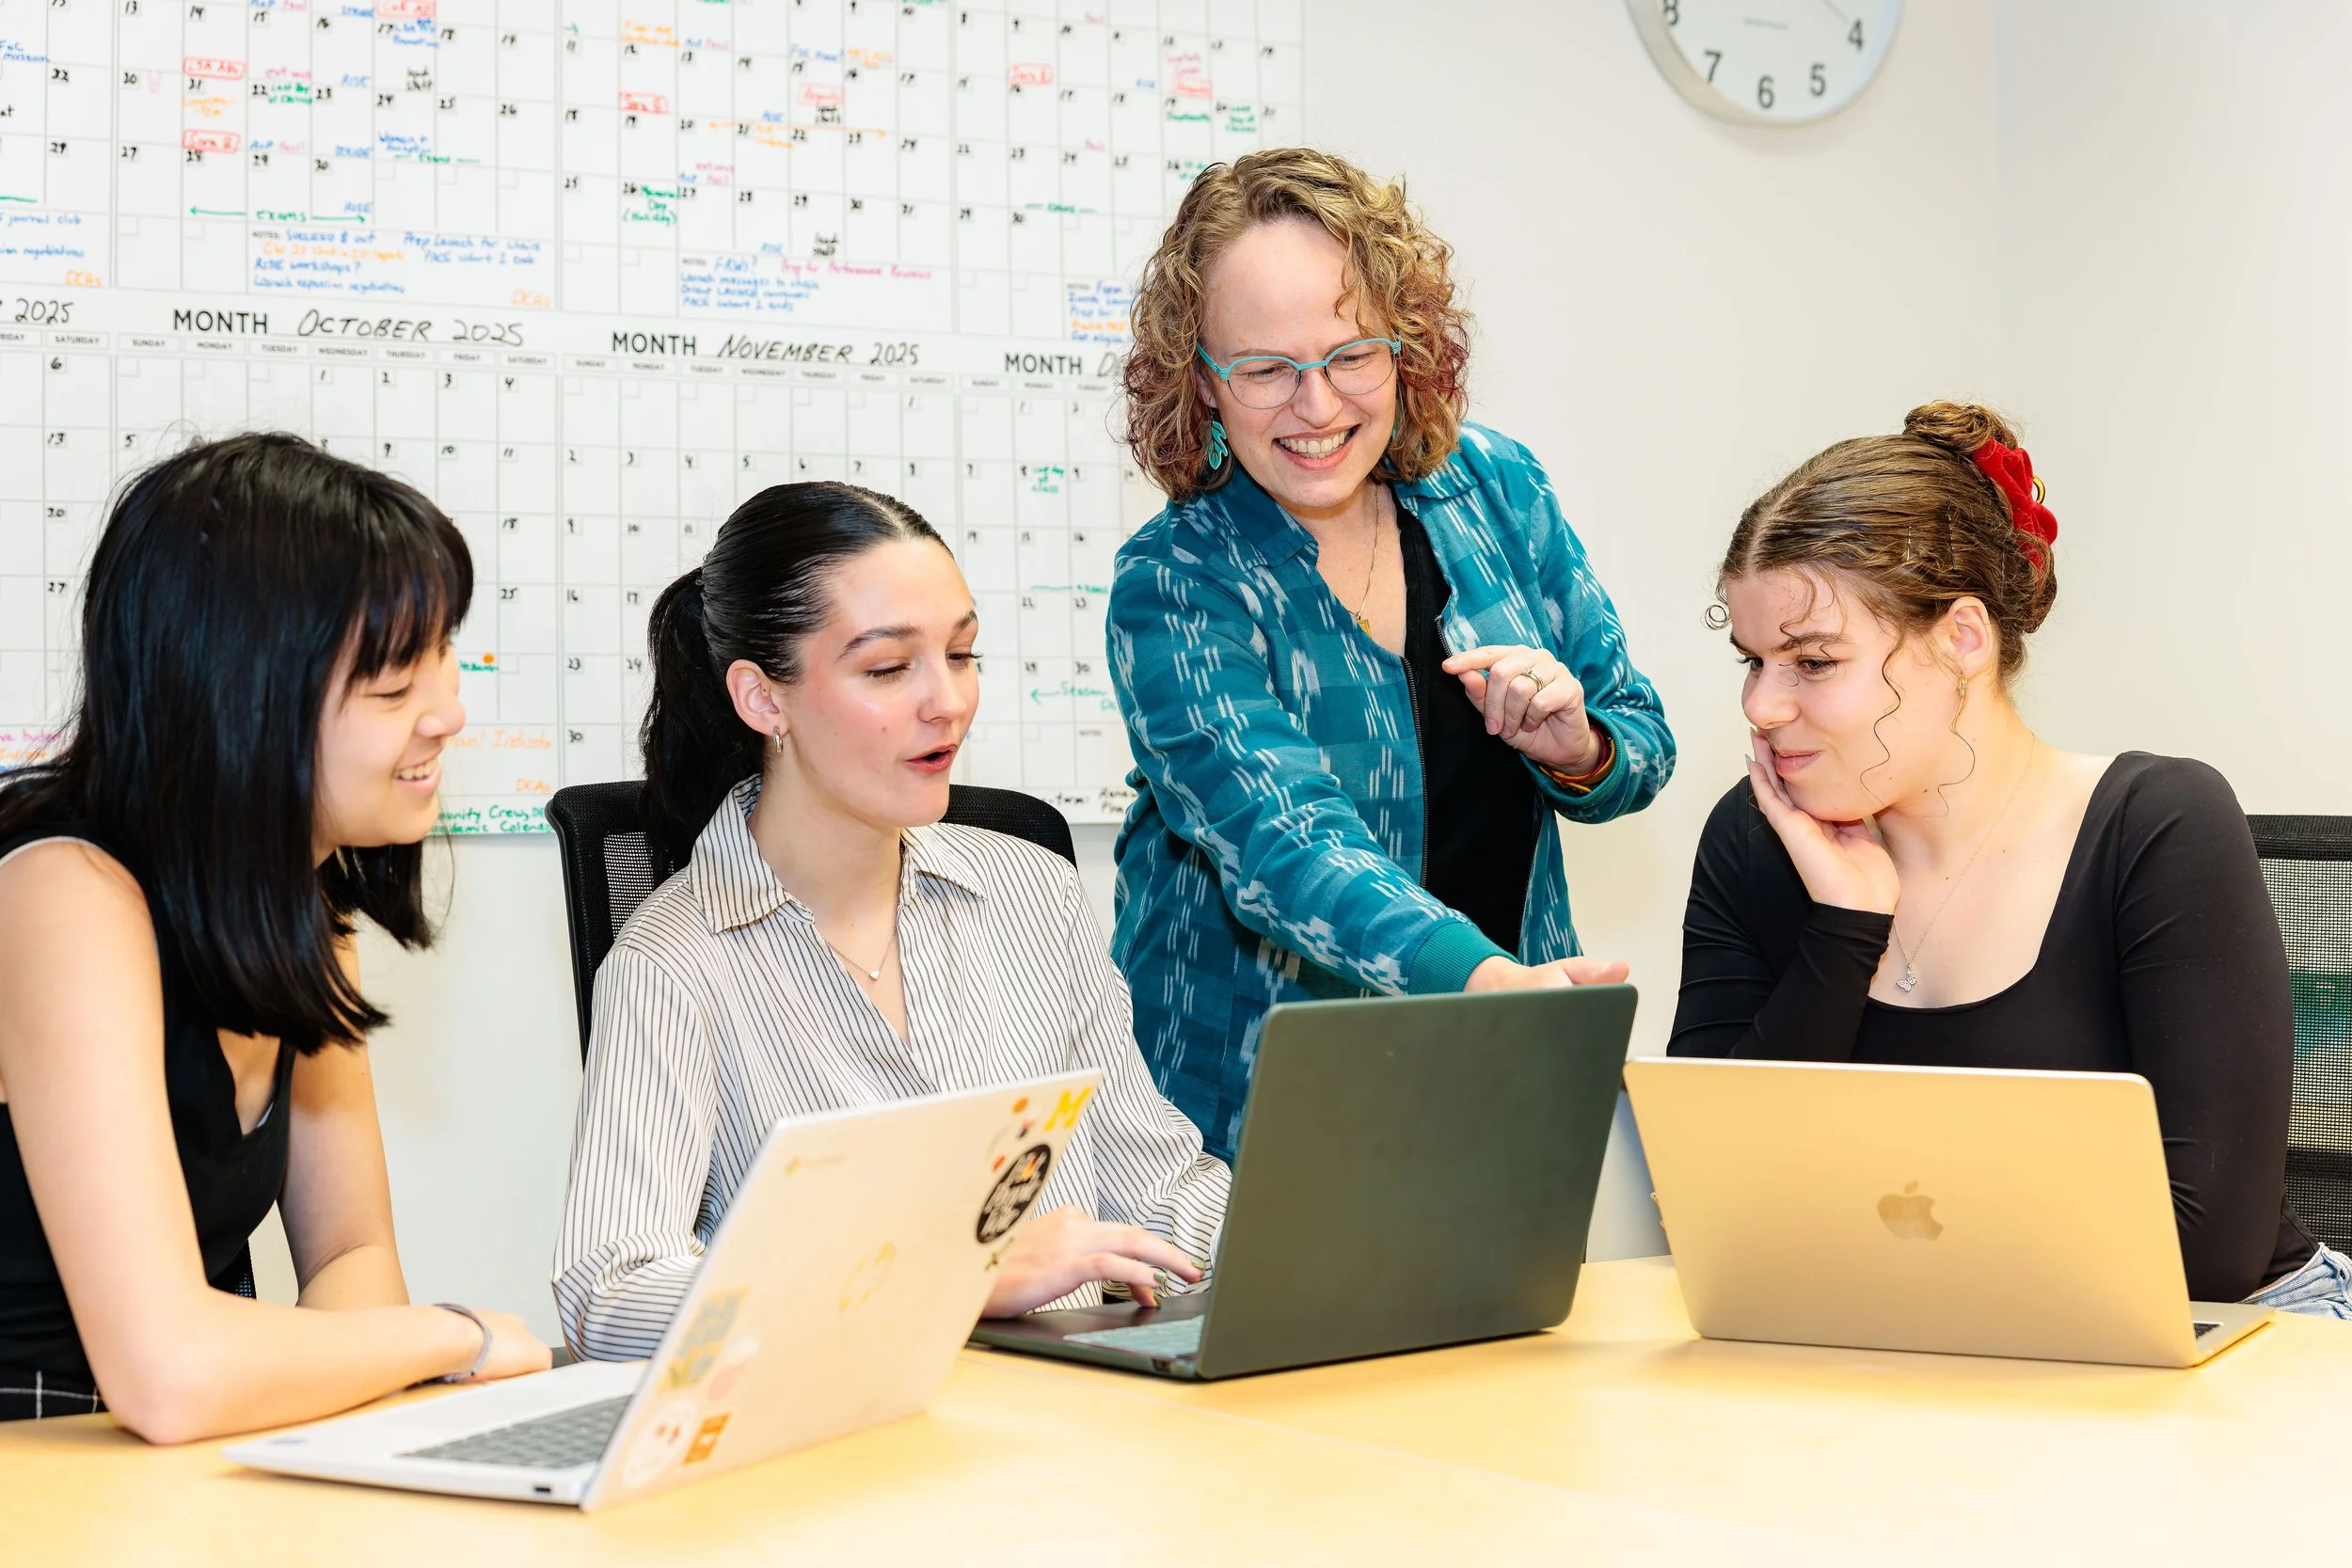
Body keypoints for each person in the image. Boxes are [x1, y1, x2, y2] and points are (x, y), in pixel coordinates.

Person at [1669, 400, 2349, 1314]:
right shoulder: (1753, 839)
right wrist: (1844, 929)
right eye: (1751, 660)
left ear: (1959, 641)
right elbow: (1709, 1202)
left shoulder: (2157, 824)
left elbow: (2207, 1251)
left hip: (2231, 1333)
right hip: (1906, 1332)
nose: (1761, 705)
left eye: (1813, 661)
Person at [553, 482, 1228, 1361]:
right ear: (763, 700)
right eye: (887, 668)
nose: (946, 700)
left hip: (1075, 1424)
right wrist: (952, 1272)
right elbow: (609, 1294)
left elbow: (1160, 1187)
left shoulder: (1033, 893)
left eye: (962, 652)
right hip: (843, 1450)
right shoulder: (675, 963)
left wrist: (1312, 1239)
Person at [1108, 147, 1674, 1159]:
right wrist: (1489, 981)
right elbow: (1287, 845)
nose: (1318, 407)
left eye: (1351, 355)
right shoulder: (1176, 581)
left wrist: (1577, 745)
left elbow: (1638, 732)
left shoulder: (1495, 487)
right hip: (1254, 1108)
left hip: (1498, 1073)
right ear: (1201, 380)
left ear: (1405, 344)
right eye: (1267, 368)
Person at [0, 434, 551, 1439]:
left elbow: (349, 1257)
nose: (449, 713)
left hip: (173, 1456)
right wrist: (456, 1333)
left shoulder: (303, 894)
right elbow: (167, 1373)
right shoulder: (63, 891)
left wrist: (341, 1371)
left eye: (445, 657)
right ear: (242, 696)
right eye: (395, 685)